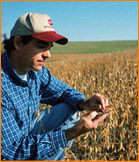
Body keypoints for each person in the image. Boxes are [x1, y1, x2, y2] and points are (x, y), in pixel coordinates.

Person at [1, 12, 110, 160]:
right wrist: (71, 133)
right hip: (10, 149)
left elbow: (63, 92)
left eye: (50, 48)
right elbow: (10, 151)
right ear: (18, 43)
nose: (48, 55)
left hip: (26, 131)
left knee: (71, 106)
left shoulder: (36, 72)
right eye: (41, 46)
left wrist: (86, 103)